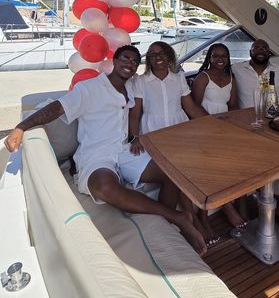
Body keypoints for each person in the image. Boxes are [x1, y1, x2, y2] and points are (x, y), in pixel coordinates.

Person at [4, 44, 206, 256]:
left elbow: (140, 114)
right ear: (115, 62)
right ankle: (177, 217)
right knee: (104, 186)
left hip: (124, 150)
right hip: (96, 154)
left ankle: (166, 228)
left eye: (134, 62)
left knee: (172, 172)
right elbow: (58, 107)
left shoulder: (129, 90)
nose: (130, 64)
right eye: (125, 59)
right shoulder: (89, 88)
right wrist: (21, 127)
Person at [129, 41, 212, 242]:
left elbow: (190, 108)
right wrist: (134, 136)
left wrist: (213, 123)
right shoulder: (141, 81)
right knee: (177, 171)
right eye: (152, 55)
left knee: (186, 167)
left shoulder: (179, 78)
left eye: (161, 53)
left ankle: (197, 216)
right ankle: (194, 218)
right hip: (154, 133)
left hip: (179, 130)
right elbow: (135, 113)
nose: (157, 57)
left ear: (169, 56)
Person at [232, 38, 279, 230]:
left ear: (269, 52)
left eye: (264, 47)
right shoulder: (237, 69)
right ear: (250, 51)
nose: (260, 49)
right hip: (244, 126)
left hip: (274, 124)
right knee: (241, 160)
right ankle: (242, 203)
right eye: (256, 46)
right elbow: (217, 77)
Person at [191, 42, 248, 234]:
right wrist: (209, 126)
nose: (220, 59)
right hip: (204, 127)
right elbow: (194, 107)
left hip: (224, 127)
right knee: (211, 167)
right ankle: (224, 208)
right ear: (210, 58)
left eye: (224, 56)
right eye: (216, 56)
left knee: (237, 163)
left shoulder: (230, 78)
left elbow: (232, 106)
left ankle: (239, 202)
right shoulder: (203, 77)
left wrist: (234, 129)